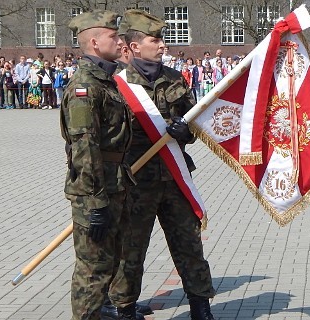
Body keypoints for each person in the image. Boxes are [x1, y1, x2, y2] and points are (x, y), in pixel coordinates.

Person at [109, 9, 216, 320]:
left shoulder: (175, 78)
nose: (162, 45)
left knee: (189, 245)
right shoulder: (117, 85)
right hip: (135, 181)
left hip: (173, 179)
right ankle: (125, 309)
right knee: (131, 251)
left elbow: (196, 122)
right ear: (133, 46)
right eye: (155, 40)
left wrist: (187, 132)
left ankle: (201, 306)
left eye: (162, 39)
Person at [61, 10, 133, 320]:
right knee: (93, 270)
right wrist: (95, 200)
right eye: (113, 37)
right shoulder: (85, 87)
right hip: (97, 189)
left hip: (114, 183)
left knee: (108, 265)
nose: (120, 42)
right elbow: (84, 146)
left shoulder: (106, 81)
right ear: (94, 42)